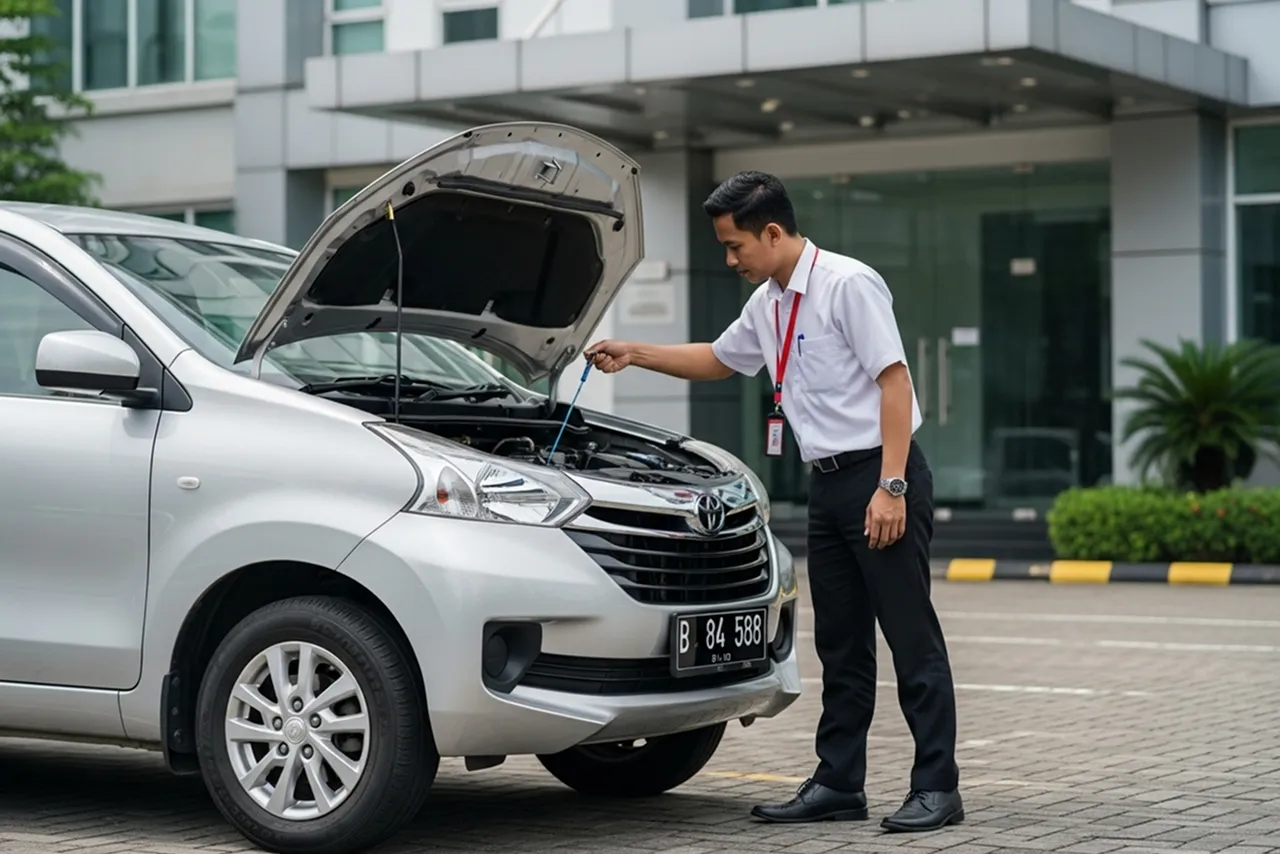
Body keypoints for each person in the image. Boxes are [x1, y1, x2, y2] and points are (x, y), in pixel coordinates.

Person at [584, 171, 963, 833]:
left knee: (910, 638)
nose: (730, 259)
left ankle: (938, 787)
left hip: (881, 474)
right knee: (842, 647)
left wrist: (893, 486)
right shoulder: (771, 302)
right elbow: (720, 359)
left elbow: (895, 383)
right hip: (828, 484)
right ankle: (839, 784)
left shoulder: (848, 285)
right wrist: (635, 352)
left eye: (735, 246)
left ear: (775, 232)